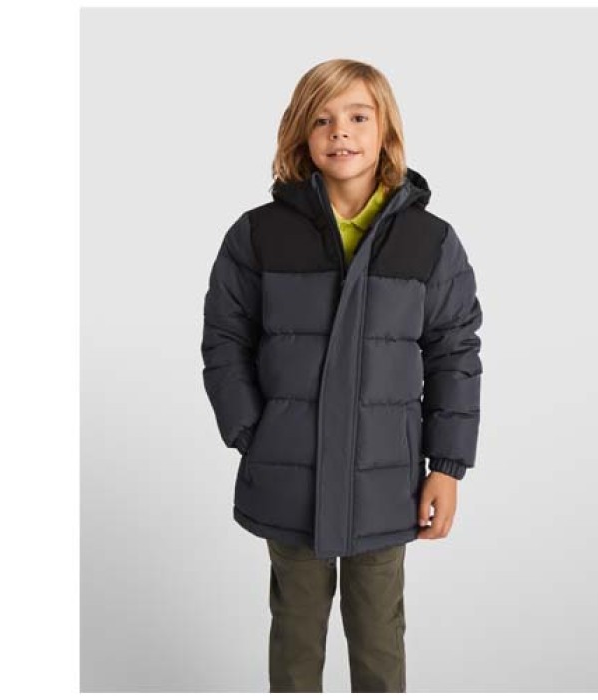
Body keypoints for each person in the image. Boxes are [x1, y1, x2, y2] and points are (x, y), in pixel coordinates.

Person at [201, 58, 483, 692]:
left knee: (379, 636)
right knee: (296, 634)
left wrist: (446, 465)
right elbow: (225, 337)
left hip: (386, 479)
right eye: (323, 120)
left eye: (358, 116)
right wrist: (252, 431)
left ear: (386, 130)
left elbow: (454, 354)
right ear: (300, 134)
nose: (341, 132)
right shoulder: (259, 235)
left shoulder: (430, 241)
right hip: (290, 473)